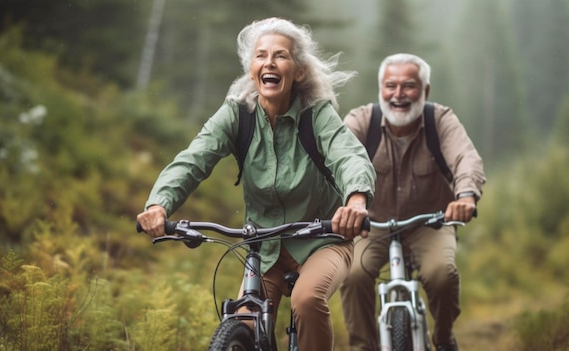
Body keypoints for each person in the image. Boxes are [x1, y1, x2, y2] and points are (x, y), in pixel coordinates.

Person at [137, 17, 376, 351]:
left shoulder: (316, 115)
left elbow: (348, 155)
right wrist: (158, 204)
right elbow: (194, 158)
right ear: (251, 68)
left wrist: (356, 202)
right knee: (243, 322)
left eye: (281, 55)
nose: (269, 62)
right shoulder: (237, 114)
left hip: (322, 239)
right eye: (261, 55)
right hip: (263, 246)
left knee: (307, 301)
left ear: (299, 71)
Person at [340, 53, 486, 351]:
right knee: (353, 274)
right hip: (373, 224)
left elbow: (465, 158)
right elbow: (340, 158)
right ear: (380, 89)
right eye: (390, 85)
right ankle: (362, 346)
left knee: (441, 275)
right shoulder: (361, 121)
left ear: (425, 91)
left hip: (430, 223)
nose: (398, 94)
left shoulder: (440, 120)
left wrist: (466, 196)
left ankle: (444, 338)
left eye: (408, 86)